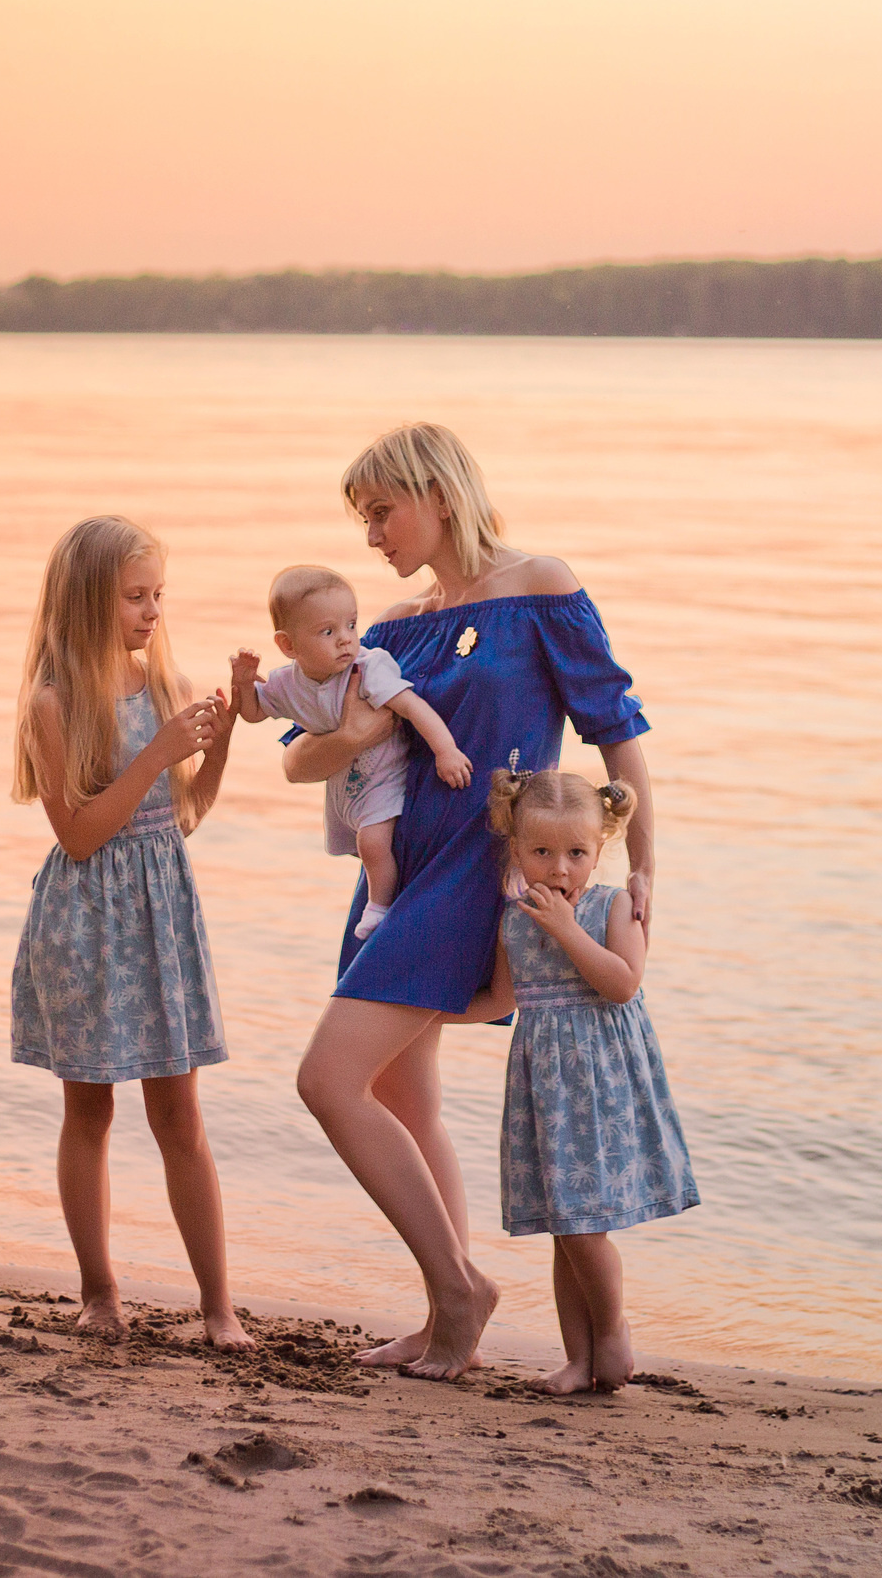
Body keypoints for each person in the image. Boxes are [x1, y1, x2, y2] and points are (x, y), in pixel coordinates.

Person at [288, 421, 654, 1380]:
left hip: (475, 875)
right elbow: (305, 758)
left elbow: (617, 735)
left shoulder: (542, 587)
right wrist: (358, 723)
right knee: (405, 1099)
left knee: (328, 1081)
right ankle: (448, 1303)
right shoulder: (391, 627)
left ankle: (458, 1290)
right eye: (362, 519)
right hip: (399, 882)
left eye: (381, 511)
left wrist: (645, 867)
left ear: (436, 493)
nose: (371, 535)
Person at [9, 514, 253, 1351]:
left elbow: (183, 813)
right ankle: (99, 1289)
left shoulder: (161, 682)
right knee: (90, 1111)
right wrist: (155, 754)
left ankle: (219, 1306)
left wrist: (218, 741)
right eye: (135, 597)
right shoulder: (53, 701)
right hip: (84, 921)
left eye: (158, 595)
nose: (152, 611)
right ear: (87, 601)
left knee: (180, 1113)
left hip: (159, 915)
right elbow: (77, 833)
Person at [470, 769, 697, 1394]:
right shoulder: (515, 919)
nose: (559, 868)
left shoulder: (612, 906)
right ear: (515, 849)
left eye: (576, 853)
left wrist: (568, 930)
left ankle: (613, 1328)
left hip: (601, 1084)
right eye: (541, 852)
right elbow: (497, 999)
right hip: (543, 1088)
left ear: (601, 851)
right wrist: (415, 1013)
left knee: (582, 1224)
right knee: (562, 1229)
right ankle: (578, 1356)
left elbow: (623, 982)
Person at [230, 564, 474, 940]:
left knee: (373, 844)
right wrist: (243, 682)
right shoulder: (284, 682)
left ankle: (379, 908)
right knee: (366, 849)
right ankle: (383, 900)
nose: (346, 639)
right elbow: (253, 713)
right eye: (328, 631)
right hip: (347, 788)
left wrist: (446, 752)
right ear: (288, 645)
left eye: (351, 625)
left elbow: (413, 707)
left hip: (385, 777)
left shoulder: (367, 667)